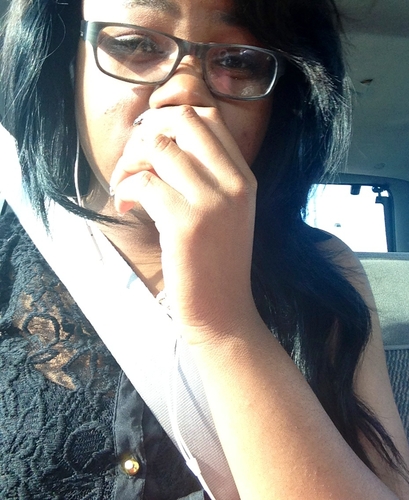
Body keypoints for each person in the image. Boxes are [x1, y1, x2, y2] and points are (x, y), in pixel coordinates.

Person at [0, 0, 408, 498]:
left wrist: (224, 322)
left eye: (237, 60)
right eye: (135, 44)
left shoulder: (327, 267)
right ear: (69, 64)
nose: (184, 93)